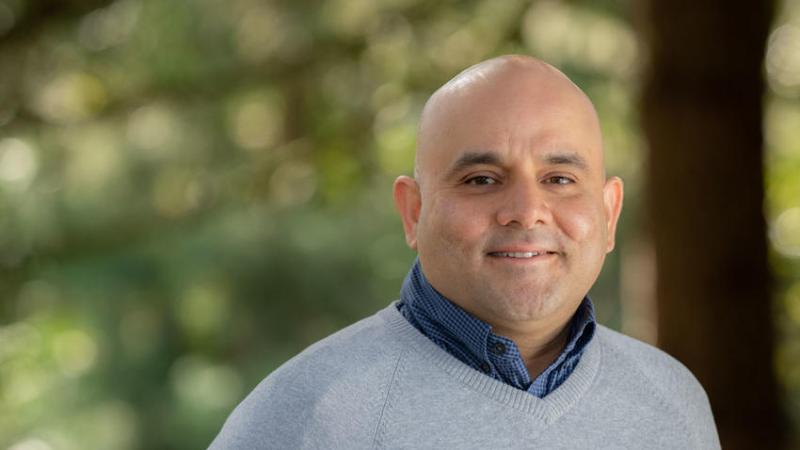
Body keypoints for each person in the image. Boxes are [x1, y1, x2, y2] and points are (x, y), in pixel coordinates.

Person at [209, 55, 721, 449]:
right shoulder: (308, 416)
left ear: (609, 214)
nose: (526, 210)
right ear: (414, 211)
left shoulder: (672, 402)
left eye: (560, 179)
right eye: (481, 179)